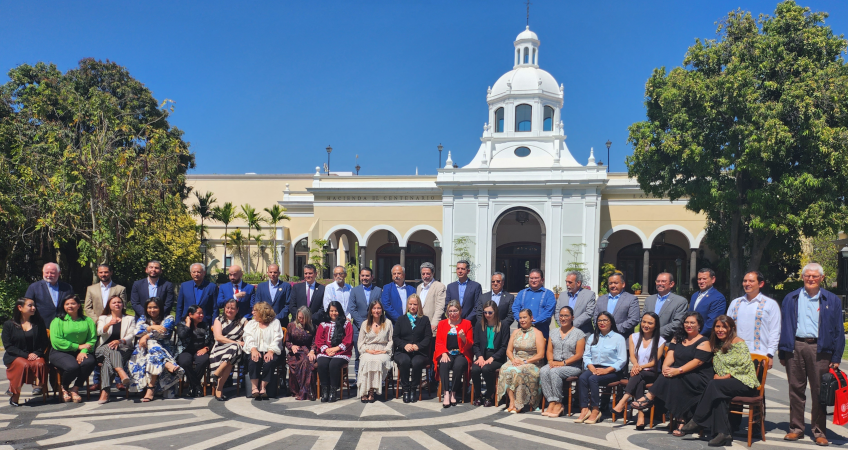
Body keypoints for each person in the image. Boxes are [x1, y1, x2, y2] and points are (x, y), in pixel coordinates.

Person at [779, 263, 845, 446]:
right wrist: (782, 352)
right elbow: (783, 326)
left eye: (815, 276)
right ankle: (796, 428)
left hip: (820, 349)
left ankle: (819, 431)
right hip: (795, 346)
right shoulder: (790, 298)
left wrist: (836, 357)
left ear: (822, 278)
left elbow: (839, 331)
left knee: (819, 392)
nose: (811, 279)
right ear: (802, 277)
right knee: (795, 390)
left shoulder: (832, 300)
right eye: (807, 275)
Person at [680, 315, 760, 446]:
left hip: (745, 383)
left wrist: (725, 376)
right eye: (717, 326)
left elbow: (744, 366)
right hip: (724, 385)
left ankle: (697, 420)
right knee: (718, 395)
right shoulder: (716, 344)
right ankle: (723, 434)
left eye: (724, 327)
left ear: (731, 328)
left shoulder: (738, 343)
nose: (720, 330)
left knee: (714, 385)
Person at [630, 312, 714, 436]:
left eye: (692, 323)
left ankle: (650, 397)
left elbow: (697, 362)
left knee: (675, 378)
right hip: (680, 375)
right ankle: (681, 420)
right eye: (686, 322)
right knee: (672, 378)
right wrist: (665, 367)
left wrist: (678, 370)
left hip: (699, 377)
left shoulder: (704, 342)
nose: (688, 325)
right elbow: (670, 355)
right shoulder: (678, 338)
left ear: (699, 325)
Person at [611, 312, 665, 429]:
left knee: (637, 375)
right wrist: (636, 365)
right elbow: (632, 356)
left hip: (652, 373)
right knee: (639, 382)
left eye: (650, 323)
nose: (646, 325)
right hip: (638, 372)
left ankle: (623, 401)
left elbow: (654, 362)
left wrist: (640, 367)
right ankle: (641, 415)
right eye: (644, 322)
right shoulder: (633, 337)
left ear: (655, 325)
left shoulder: (660, 341)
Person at [128, 298, 184, 402]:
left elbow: (163, 333)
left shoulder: (168, 318)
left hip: (164, 348)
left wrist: (146, 336)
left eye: (155, 307)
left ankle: (151, 388)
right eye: (149, 307)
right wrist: (153, 327)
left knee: (152, 349)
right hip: (143, 349)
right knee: (152, 345)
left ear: (160, 308)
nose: (152, 310)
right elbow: (137, 331)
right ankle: (167, 364)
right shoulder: (143, 318)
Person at [575, 311, 627, 424]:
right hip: (594, 367)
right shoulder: (593, 337)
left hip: (612, 370)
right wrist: (591, 367)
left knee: (593, 379)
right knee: (583, 378)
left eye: (605, 320)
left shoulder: (618, 338)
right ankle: (584, 409)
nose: (602, 323)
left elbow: (622, 360)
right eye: (599, 320)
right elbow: (586, 355)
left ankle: (595, 409)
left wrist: (606, 370)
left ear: (611, 322)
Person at [84, 264, 128, 393]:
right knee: (98, 350)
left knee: (116, 348)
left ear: (111, 272)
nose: (103, 274)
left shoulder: (120, 288)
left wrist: (112, 320)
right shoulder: (91, 289)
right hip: (97, 324)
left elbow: (123, 306)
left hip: (115, 323)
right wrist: (99, 321)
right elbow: (87, 307)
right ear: (98, 273)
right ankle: (97, 382)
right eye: (101, 272)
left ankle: (119, 381)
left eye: (106, 272)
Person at [49, 295, 97, 403]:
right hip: (60, 351)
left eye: (73, 303)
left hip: (82, 351)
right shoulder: (58, 321)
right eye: (67, 304)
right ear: (63, 306)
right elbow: (56, 341)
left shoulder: (87, 320)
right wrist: (77, 346)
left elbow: (92, 338)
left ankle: (75, 388)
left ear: (79, 305)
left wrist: (83, 351)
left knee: (89, 362)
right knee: (72, 367)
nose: (70, 306)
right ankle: (64, 387)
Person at [497, 308, 546, 413]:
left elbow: (541, 354)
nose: (522, 320)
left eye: (525, 317)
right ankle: (512, 402)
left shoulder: (537, 333)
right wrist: (513, 360)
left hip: (532, 362)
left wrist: (524, 362)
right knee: (505, 369)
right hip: (517, 360)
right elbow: (509, 350)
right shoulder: (516, 332)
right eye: (520, 318)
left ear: (531, 318)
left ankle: (519, 404)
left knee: (518, 371)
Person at [540, 306, 586, 417]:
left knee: (554, 372)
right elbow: (549, 350)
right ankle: (551, 401)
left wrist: (562, 363)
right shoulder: (553, 332)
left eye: (566, 316)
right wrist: (550, 361)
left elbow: (579, 355)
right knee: (543, 371)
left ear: (572, 317)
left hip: (572, 366)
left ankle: (559, 403)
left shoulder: (579, 334)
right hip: (555, 363)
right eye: (561, 315)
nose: (563, 318)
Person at [2, 298, 49, 407]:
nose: (33, 308)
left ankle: (38, 386)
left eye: (34, 305)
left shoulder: (39, 323)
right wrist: (26, 355)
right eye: (30, 305)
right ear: (20, 307)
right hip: (15, 356)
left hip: (35, 355)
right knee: (24, 364)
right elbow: (8, 346)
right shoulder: (9, 325)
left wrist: (36, 353)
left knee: (40, 364)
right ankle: (15, 394)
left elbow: (44, 342)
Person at [727, 271, 780, 368]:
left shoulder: (770, 304)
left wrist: (770, 354)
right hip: (735, 354)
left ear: (761, 284)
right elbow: (727, 328)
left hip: (759, 355)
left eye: (751, 281)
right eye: (745, 281)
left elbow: (775, 331)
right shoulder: (735, 303)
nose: (747, 284)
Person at [94, 295, 136, 404]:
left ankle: (105, 392)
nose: (117, 304)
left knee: (108, 361)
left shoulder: (130, 319)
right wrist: (108, 324)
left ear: (123, 305)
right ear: (109, 305)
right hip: (103, 349)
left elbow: (131, 335)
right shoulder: (104, 318)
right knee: (111, 348)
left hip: (123, 349)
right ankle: (121, 371)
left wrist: (120, 341)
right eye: (114, 302)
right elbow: (99, 331)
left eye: (119, 302)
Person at [434, 299, 474, 408]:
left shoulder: (467, 324)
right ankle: (446, 393)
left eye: (455, 311)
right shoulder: (442, 324)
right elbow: (439, 342)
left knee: (458, 365)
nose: (452, 313)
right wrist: (443, 353)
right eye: (450, 311)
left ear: (460, 311)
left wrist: (463, 338)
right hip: (447, 352)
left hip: (462, 353)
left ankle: (454, 392)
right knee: (444, 364)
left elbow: (470, 344)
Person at [471, 300, 510, 407]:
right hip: (483, 355)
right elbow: (476, 344)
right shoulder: (479, 324)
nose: (487, 315)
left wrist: (492, 358)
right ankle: (478, 395)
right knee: (475, 369)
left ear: (495, 312)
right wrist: (479, 357)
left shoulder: (503, 325)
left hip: (497, 357)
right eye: (485, 312)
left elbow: (504, 346)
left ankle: (490, 394)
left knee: (486, 369)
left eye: (490, 312)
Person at [393, 294, 431, 403]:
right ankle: (405, 390)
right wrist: (404, 345)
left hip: (419, 352)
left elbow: (428, 337)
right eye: (410, 304)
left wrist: (418, 346)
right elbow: (395, 337)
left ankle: (413, 389)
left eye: (415, 304)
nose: (412, 306)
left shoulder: (425, 319)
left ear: (419, 305)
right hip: (403, 351)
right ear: (407, 305)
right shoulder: (401, 319)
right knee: (405, 361)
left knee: (416, 362)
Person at [242, 301, 284, 399]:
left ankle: (263, 387)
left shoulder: (275, 323)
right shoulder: (251, 324)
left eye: (255, 311)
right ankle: (254, 387)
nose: (252, 312)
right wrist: (253, 349)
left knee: (269, 361)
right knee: (253, 360)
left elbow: (277, 338)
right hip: (254, 350)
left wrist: (270, 351)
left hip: (272, 350)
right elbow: (248, 337)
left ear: (262, 312)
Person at [209, 298, 248, 401]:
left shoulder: (243, 321)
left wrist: (241, 343)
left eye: (232, 308)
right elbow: (218, 337)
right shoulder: (219, 320)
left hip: (236, 351)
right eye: (227, 308)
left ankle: (218, 382)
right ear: (224, 308)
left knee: (234, 352)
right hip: (220, 348)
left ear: (237, 309)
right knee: (233, 353)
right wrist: (236, 342)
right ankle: (219, 385)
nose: (229, 310)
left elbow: (249, 336)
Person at [315, 301, 353, 402]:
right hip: (326, 351)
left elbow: (348, 341)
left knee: (333, 364)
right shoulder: (323, 324)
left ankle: (333, 390)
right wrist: (327, 349)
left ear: (339, 311)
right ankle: (325, 389)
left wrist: (335, 349)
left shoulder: (346, 324)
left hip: (341, 352)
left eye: (336, 311)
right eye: (331, 311)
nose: (333, 313)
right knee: (322, 363)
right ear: (328, 311)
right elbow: (319, 340)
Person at [357, 299, 394, 402]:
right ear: (370, 310)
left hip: (383, 351)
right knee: (367, 361)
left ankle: (372, 390)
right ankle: (365, 391)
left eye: (379, 308)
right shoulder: (365, 324)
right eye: (374, 308)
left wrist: (385, 351)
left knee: (378, 361)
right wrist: (367, 350)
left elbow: (391, 340)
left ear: (382, 310)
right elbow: (360, 343)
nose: (376, 311)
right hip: (368, 350)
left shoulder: (388, 323)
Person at [349, 267, 382, 382]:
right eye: (362, 275)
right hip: (358, 328)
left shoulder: (378, 290)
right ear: (360, 276)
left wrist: (373, 324)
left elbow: (380, 308)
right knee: (359, 355)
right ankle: (359, 379)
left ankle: (374, 380)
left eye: (367, 276)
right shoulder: (354, 291)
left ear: (372, 277)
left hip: (375, 327)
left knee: (374, 354)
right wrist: (363, 324)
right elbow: (352, 309)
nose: (365, 278)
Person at [176, 305, 214, 397]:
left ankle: (192, 385)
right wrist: (188, 324)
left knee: (203, 360)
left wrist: (206, 348)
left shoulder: (205, 325)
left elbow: (212, 341)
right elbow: (182, 336)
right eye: (199, 313)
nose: (201, 315)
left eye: (202, 313)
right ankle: (196, 386)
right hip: (185, 350)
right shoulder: (181, 324)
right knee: (184, 362)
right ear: (190, 314)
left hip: (200, 350)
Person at [643, 272, 688, 341]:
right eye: (658, 281)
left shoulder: (680, 301)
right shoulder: (649, 300)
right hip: (647, 340)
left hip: (667, 341)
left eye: (663, 281)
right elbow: (642, 318)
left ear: (671, 284)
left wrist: (655, 333)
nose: (660, 283)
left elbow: (677, 323)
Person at [513, 269, 557, 338]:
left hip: (541, 331)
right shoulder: (521, 293)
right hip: (523, 332)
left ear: (542, 280)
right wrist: (521, 320)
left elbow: (548, 312)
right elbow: (515, 308)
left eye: (536, 278)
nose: (533, 280)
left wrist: (533, 321)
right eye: (531, 278)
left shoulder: (549, 294)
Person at [286, 306, 318, 401]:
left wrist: (312, 351)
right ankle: (300, 390)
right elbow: (287, 341)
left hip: (307, 351)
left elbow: (315, 342)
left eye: (303, 318)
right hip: (295, 353)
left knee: (308, 361)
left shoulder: (313, 327)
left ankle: (307, 390)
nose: (301, 320)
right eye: (299, 317)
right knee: (301, 361)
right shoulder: (291, 326)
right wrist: (292, 346)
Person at [593, 273, 639, 338]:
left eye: (616, 283)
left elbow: (634, 319)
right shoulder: (601, 299)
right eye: (610, 283)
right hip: (602, 338)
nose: (613, 285)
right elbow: (595, 318)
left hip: (622, 338)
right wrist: (603, 329)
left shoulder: (631, 299)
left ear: (623, 284)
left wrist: (612, 329)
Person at [689, 268, 727, 336]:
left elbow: (712, 322)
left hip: (705, 337)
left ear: (713, 279)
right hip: (691, 335)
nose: (701, 281)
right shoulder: (694, 295)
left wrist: (697, 336)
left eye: (704, 279)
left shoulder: (718, 297)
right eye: (699, 279)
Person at [557, 270, 595, 335]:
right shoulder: (562, 295)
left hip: (583, 333)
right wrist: (563, 325)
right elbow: (557, 312)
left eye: (570, 282)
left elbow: (588, 313)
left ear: (578, 283)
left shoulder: (589, 295)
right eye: (566, 282)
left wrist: (571, 325)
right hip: (564, 333)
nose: (567, 284)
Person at [444, 260, 482, 325]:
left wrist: (466, 321)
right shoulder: (451, 286)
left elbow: (477, 306)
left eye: (463, 269)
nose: (460, 271)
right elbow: (447, 305)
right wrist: (453, 318)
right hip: (454, 323)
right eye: (458, 268)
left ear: (468, 271)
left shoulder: (476, 286)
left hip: (470, 323)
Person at [417, 262, 446, 335]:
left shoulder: (439, 286)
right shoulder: (419, 287)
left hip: (432, 325)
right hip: (419, 325)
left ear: (433, 274)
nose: (425, 276)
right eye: (423, 274)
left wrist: (435, 322)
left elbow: (440, 306)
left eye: (428, 274)